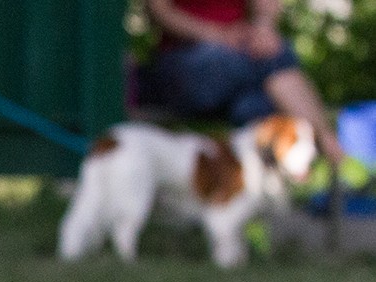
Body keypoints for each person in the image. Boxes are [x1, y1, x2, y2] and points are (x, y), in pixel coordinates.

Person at [140, 0, 345, 162]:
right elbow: (158, 11)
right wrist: (218, 34)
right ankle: (327, 143)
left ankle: (242, 197)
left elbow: (266, 6)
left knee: (256, 106)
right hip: (185, 65)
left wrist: (262, 28)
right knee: (277, 55)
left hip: (238, 77)